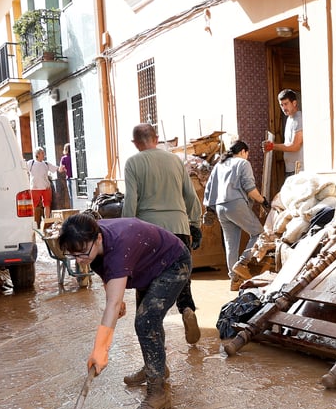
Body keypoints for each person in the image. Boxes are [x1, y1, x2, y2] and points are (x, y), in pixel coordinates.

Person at [58, 213, 190, 409]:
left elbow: (112, 303)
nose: (79, 260)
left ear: (98, 238)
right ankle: (155, 367)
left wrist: (100, 350)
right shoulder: (90, 238)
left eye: (82, 253)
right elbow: (105, 270)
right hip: (148, 264)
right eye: (73, 256)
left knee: (146, 322)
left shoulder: (117, 247)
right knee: (148, 321)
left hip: (172, 264)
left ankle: (158, 393)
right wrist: (114, 295)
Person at [122, 123, 203, 347]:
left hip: (150, 233)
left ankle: (155, 357)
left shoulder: (133, 163)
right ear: (156, 139)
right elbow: (191, 196)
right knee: (181, 281)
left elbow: (130, 201)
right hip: (179, 228)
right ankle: (187, 309)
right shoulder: (176, 160)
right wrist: (194, 224)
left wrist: (126, 231)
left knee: (147, 292)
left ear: (135, 143)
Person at [203, 140, 267, 290]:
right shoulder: (243, 163)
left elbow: (209, 188)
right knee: (259, 234)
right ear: (243, 151)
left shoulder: (219, 165)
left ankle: (235, 280)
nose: (247, 157)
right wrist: (262, 200)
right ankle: (242, 263)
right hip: (236, 204)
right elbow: (250, 187)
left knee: (231, 244)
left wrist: (210, 208)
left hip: (220, 207)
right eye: (247, 154)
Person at [263, 89, 304, 177]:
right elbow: (288, 144)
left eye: (286, 104)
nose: (284, 108)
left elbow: (295, 146)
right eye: (281, 105)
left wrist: (272, 146)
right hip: (290, 169)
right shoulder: (289, 119)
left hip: (298, 170)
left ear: (294, 103)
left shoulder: (299, 118)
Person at [27, 147, 58, 228]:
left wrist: (61, 168)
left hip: (46, 188)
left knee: (47, 205)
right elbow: (23, 169)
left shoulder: (46, 164)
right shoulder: (31, 163)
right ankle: (33, 223)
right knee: (33, 206)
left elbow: (56, 169)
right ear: (37, 154)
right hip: (34, 188)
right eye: (42, 153)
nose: (44, 155)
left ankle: (46, 222)